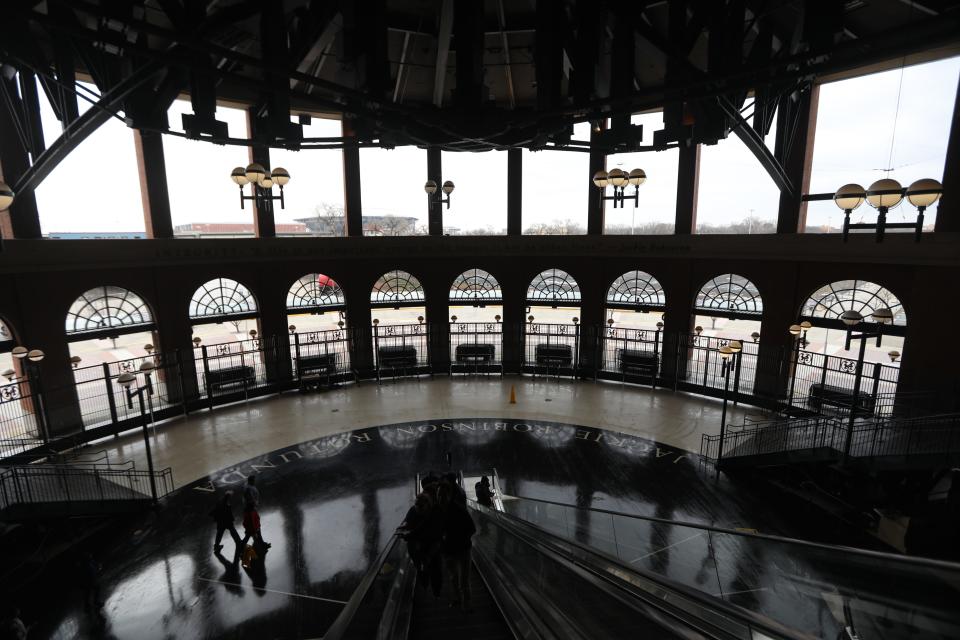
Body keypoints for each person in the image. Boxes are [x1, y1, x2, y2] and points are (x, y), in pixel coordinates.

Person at [438, 483, 476, 612]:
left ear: (448, 496)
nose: (440, 497)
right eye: (439, 495)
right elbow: (472, 529)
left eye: (442, 495)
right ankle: (464, 603)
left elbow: (472, 529)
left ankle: (464, 602)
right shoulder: (455, 510)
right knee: (457, 578)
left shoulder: (456, 511)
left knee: (460, 579)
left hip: (457, 549)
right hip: (458, 548)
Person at [397, 492, 443, 597]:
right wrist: (405, 528)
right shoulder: (416, 511)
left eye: (420, 505)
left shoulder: (432, 514)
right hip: (421, 546)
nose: (418, 507)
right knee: (425, 568)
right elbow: (408, 523)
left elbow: (422, 529)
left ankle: (434, 591)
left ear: (428, 504)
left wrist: (407, 533)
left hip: (431, 546)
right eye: (416, 504)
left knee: (434, 569)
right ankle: (428, 586)